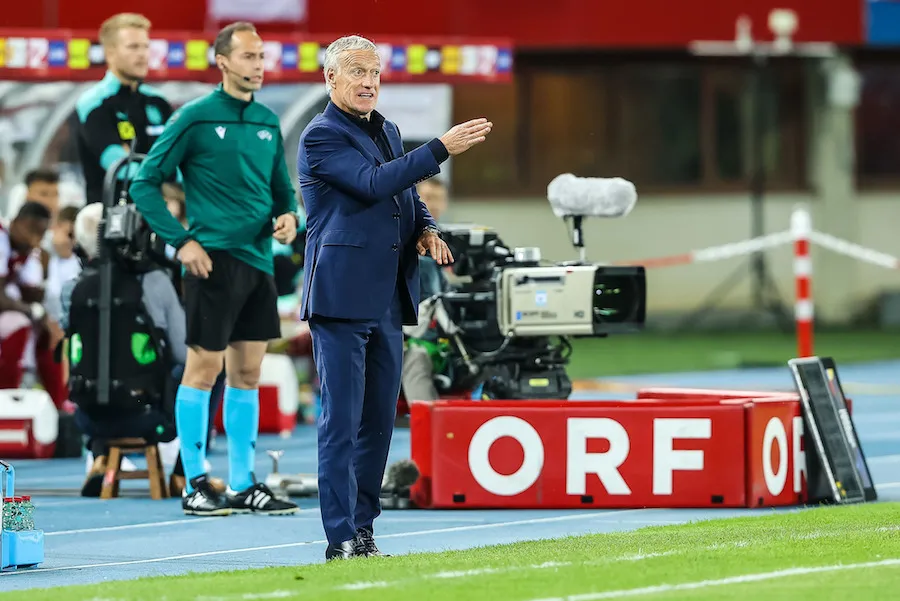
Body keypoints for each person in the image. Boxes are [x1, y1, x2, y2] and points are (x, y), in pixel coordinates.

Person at [297, 34, 491, 560]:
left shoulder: (386, 128)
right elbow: (371, 183)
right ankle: (339, 536)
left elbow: (403, 193)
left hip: (387, 295)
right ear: (331, 78)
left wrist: (426, 226)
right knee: (342, 422)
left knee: (379, 422)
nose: (369, 82)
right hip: (340, 296)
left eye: (375, 72)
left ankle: (364, 529)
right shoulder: (321, 136)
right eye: (357, 72)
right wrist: (440, 149)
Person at [130, 21, 301, 517]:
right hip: (212, 262)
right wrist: (182, 242)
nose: (258, 65)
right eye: (248, 56)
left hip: (258, 261)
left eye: (262, 56)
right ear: (222, 61)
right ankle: (195, 483)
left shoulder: (267, 120)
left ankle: (244, 484)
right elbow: (144, 183)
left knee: (247, 373)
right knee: (203, 371)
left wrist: (288, 216)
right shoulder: (195, 117)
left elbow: (281, 190)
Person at [58, 203, 225, 497]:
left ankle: (99, 455)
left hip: (88, 416)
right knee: (210, 367)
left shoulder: (71, 290)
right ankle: (184, 472)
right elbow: (182, 353)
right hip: (147, 414)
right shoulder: (155, 281)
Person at [73, 13, 174, 205]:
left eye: (145, 46)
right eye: (133, 47)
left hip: (161, 214)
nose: (142, 54)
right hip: (109, 216)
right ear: (110, 53)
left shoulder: (158, 102)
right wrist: (164, 173)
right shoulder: (93, 103)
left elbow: (180, 161)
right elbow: (119, 167)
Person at [0, 202, 67, 408]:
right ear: (16, 222)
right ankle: (6, 396)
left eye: (41, 233)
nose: (35, 238)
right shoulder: (1, 237)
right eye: (31, 230)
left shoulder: (27, 250)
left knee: (48, 331)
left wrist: (44, 316)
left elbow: (32, 294)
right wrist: (35, 311)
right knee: (19, 323)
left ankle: (58, 402)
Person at [401, 178, 453, 403]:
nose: (434, 205)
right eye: (428, 198)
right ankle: (427, 419)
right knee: (417, 357)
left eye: (439, 199)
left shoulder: (451, 243)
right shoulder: (400, 241)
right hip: (408, 338)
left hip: (444, 337)